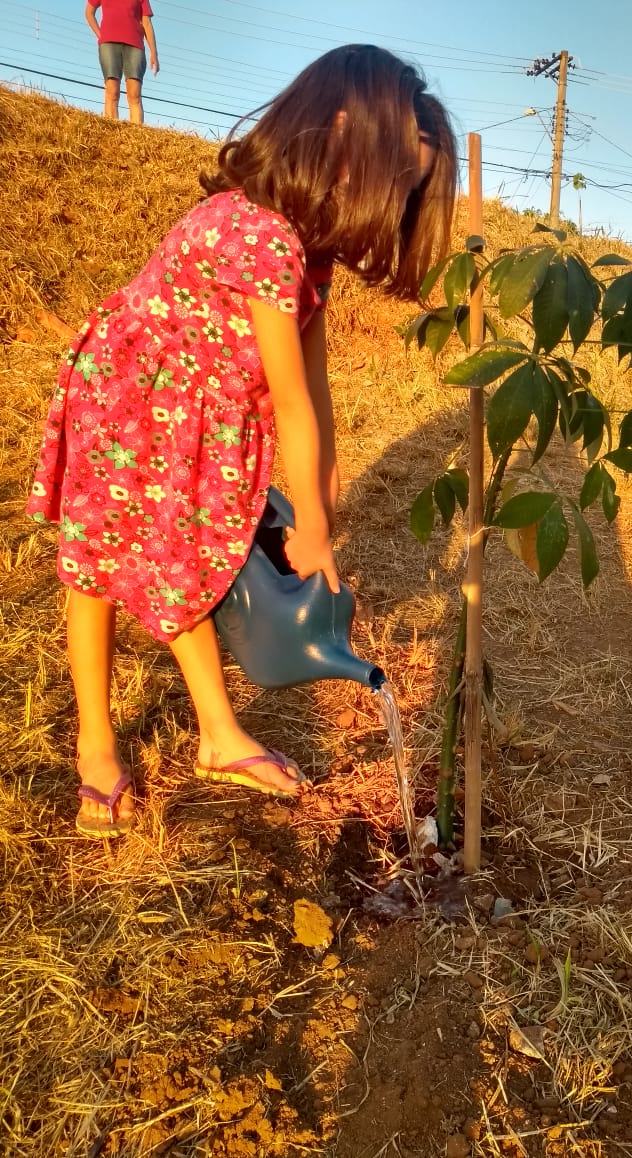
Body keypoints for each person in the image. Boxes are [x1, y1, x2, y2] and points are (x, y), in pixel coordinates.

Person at [26, 44, 457, 838]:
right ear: (339, 131)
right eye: (395, 177)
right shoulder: (258, 232)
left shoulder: (310, 250)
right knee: (96, 568)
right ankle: (95, 746)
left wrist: (324, 494)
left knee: (188, 565)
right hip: (130, 401)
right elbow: (289, 399)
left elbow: (316, 393)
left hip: (202, 416)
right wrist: (313, 530)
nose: (394, 201)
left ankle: (219, 736)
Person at [85, 0, 159, 123]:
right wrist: (101, 35)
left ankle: (136, 132)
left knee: (134, 94)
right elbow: (89, 12)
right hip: (109, 44)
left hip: (135, 45)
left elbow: (146, 22)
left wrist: (154, 53)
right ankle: (111, 130)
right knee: (112, 91)